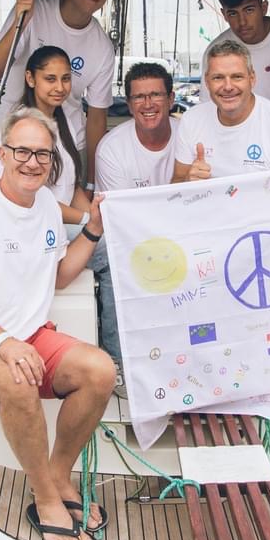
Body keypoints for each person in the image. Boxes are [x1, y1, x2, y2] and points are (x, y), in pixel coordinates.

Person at [0, 108, 115, 540]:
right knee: (17, 379)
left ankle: (59, 473)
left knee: (101, 371)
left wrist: (92, 229)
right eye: (22, 152)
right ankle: (45, 496)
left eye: (42, 155)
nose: (32, 163)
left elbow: (59, 277)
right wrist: (3, 342)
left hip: (30, 337)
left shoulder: (48, 206)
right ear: (2, 154)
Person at [0, 0, 124, 186]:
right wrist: (20, 22)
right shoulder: (32, 11)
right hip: (18, 143)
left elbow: (96, 117)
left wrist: (91, 182)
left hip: (69, 146)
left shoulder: (102, 46)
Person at [92, 62, 180, 388]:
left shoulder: (189, 137)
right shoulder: (112, 148)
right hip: (133, 240)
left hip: (182, 237)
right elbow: (122, 219)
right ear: (128, 105)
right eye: (139, 97)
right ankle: (118, 360)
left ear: (171, 98)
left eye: (155, 95)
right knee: (118, 262)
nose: (147, 104)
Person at [173, 39, 270, 181]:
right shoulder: (191, 119)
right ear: (207, 82)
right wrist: (188, 182)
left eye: (237, 77)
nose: (228, 86)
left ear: (252, 79)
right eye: (218, 77)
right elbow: (176, 185)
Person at [4, 46, 94, 226]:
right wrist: (86, 221)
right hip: (34, 226)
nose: (60, 87)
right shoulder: (20, 127)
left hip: (64, 224)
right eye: (50, 79)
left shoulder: (65, 122)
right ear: (30, 79)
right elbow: (28, 197)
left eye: (66, 79)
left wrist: (95, 218)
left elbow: (72, 189)